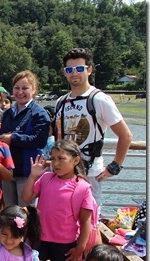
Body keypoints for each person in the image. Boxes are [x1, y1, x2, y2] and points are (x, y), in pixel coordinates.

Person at [53, 47, 133, 208]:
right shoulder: (60, 102)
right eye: (70, 69)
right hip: (63, 174)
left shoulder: (100, 100)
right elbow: (59, 137)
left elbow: (126, 135)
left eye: (79, 69)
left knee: (90, 224)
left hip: (90, 173)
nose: (74, 73)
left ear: (89, 70)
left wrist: (114, 166)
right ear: (65, 72)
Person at [22, 140, 97, 261]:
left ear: (76, 160)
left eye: (61, 159)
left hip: (65, 244)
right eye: (53, 159)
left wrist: (80, 247)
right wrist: (33, 176)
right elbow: (26, 197)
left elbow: (86, 221)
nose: (55, 163)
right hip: (40, 239)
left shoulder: (83, 187)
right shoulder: (46, 178)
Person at [0, 70, 50, 207]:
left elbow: (40, 140)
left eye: (25, 88)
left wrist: (14, 138)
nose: (20, 92)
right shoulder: (7, 113)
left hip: (28, 173)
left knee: (26, 214)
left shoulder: (39, 113)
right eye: (17, 88)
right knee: (10, 213)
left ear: (34, 90)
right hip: (8, 171)